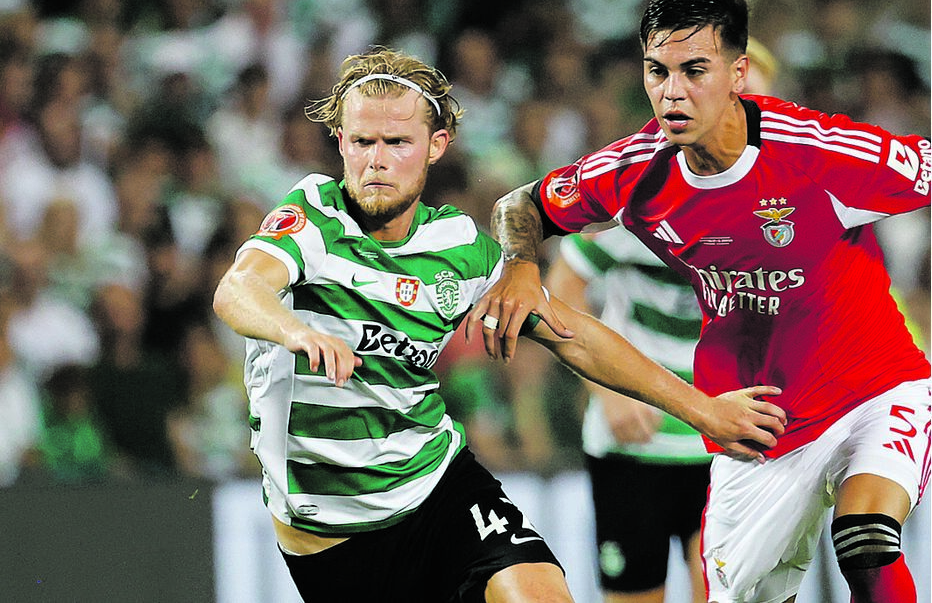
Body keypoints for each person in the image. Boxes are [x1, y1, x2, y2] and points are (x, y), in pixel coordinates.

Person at [212, 46, 786, 603]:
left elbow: (574, 336)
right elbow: (239, 287)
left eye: (396, 143)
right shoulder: (314, 215)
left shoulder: (458, 248)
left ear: (436, 146)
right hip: (330, 538)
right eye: (361, 142)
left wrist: (703, 409)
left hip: (437, 487)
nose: (376, 160)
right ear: (339, 141)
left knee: (541, 593)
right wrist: (295, 331)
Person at [466, 0, 931, 602]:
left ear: (739, 74)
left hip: (873, 387)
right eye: (657, 71)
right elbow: (520, 204)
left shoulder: (817, 153)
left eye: (695, 70)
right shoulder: (637, 172)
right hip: (761, 421)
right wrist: (523, 265)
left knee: (866, 538)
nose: (673, 91)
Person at [545, 225, 709, 603]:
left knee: (725, 592)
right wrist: (609, 390)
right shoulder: (643, 209)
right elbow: (560, 287)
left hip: (723, 445)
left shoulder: (758, 209)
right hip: (633, 445)